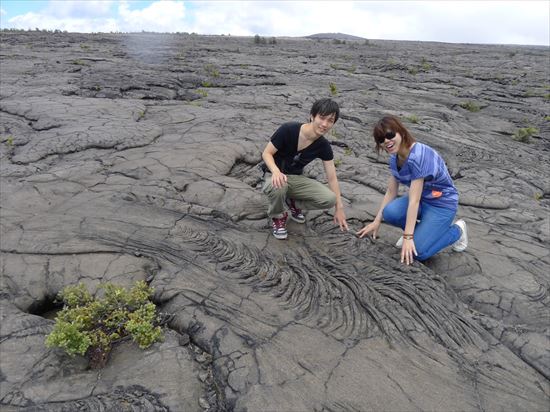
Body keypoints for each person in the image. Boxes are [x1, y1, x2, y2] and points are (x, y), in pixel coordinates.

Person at [357, 115, 467, 265]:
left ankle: (457, 231)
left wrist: (408, 237)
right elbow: (391, 192)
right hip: (423, 200)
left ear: (401, 132)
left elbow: (413, 201)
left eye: (390, 135)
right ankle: (418, 234)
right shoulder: (394, 158)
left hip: (441, 204)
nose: (386, 141)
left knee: (418, 253)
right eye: (381, 139)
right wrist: (376, 221)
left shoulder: (418, 156)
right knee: (389, 212)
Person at [261, 98, 349, 239]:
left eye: (330, 121)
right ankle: (278, 216)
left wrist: (339, 208)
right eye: (321, 118)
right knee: (278, 186)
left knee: (329, 199)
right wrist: (276, 172)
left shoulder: (323, 146)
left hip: (295, 179)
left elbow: (332, 178)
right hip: (272, 175)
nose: (325, 124)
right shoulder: (288, 129)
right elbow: (266, 153)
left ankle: (293, 203)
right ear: (312, 116)